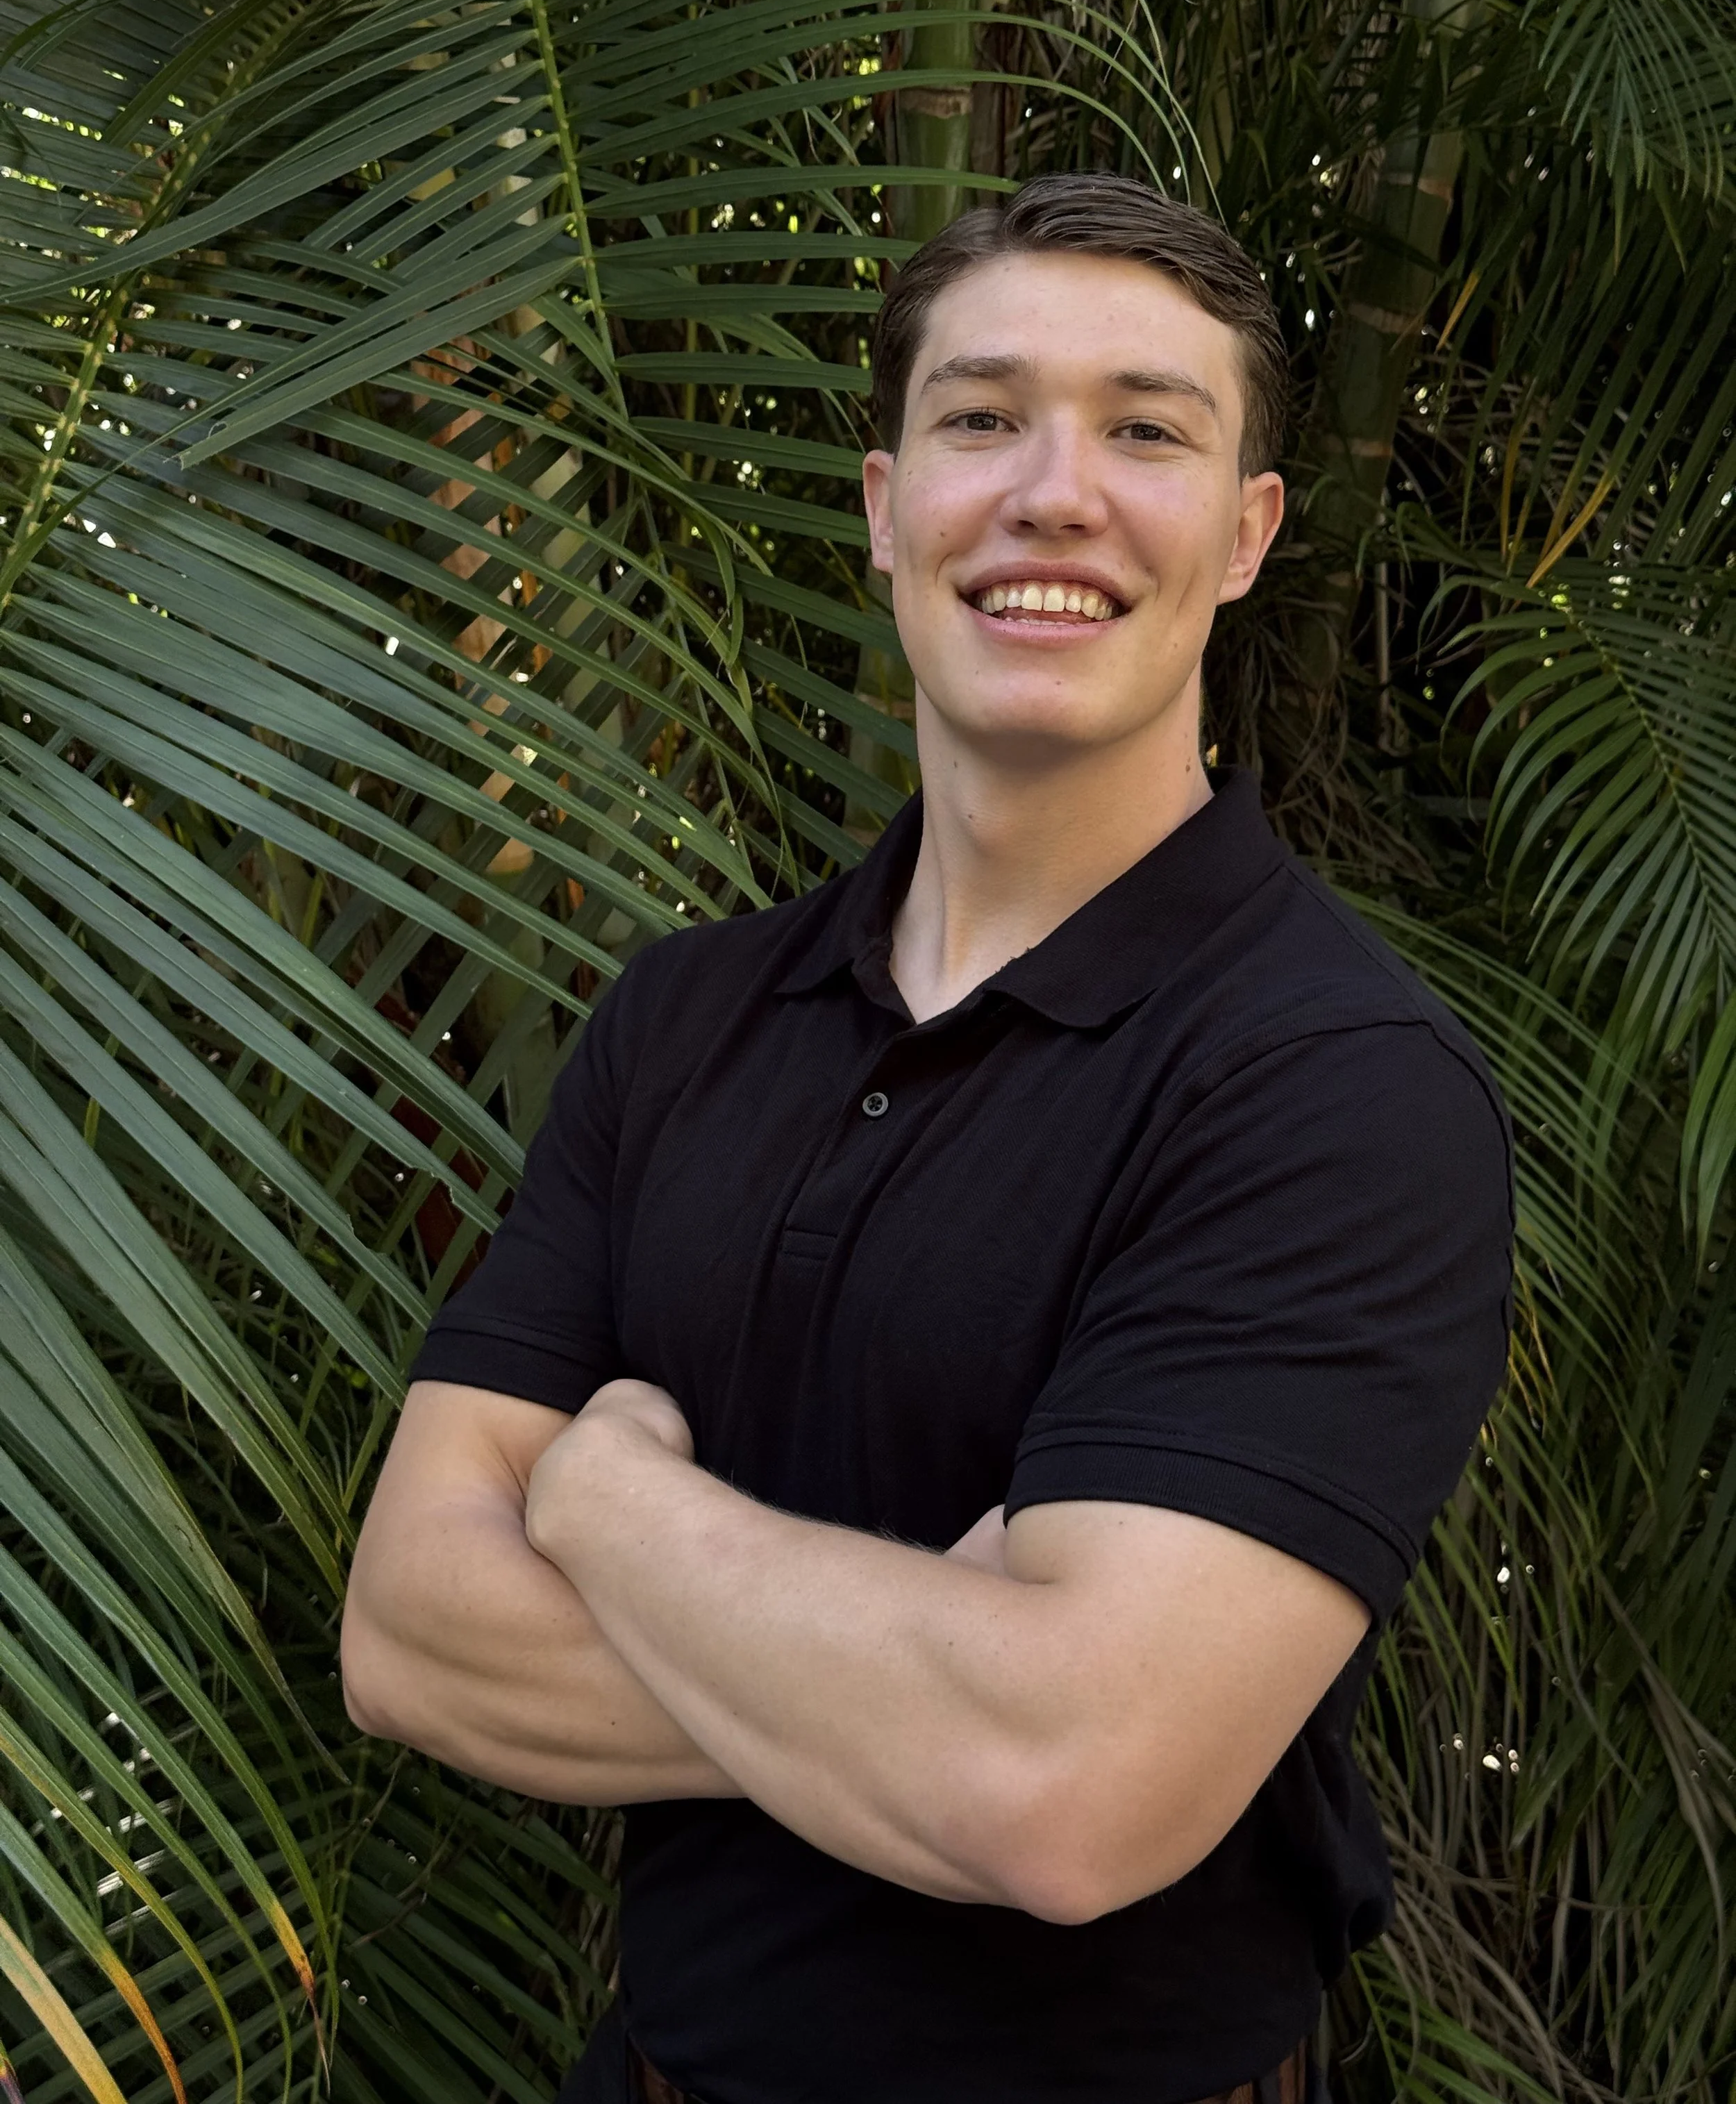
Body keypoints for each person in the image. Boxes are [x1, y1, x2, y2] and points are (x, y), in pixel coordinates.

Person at [342, 172, 1513, 2104]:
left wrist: (611, 1506)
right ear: (888, 509)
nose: (1054, 493)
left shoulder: (1330, 1082)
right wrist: (942, 1676)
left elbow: (1065, 1791)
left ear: (1244, 537)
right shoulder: (684, 1019)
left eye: (1145, 431)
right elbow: (408, 1632)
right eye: (983, 418)